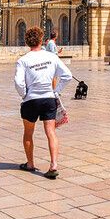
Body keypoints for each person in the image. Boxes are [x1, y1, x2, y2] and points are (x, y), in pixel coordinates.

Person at [14, 26, 72, 180]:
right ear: (41, 40)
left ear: (27, 42)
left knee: (28, 133)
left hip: (31, 100)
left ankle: (30, 163)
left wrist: (24, 95)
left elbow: (18, 82)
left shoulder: (23, 60)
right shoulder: (51, 57)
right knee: (50, 132)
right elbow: (67, 75)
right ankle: (53, 165)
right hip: (48, 99)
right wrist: (56, 91)